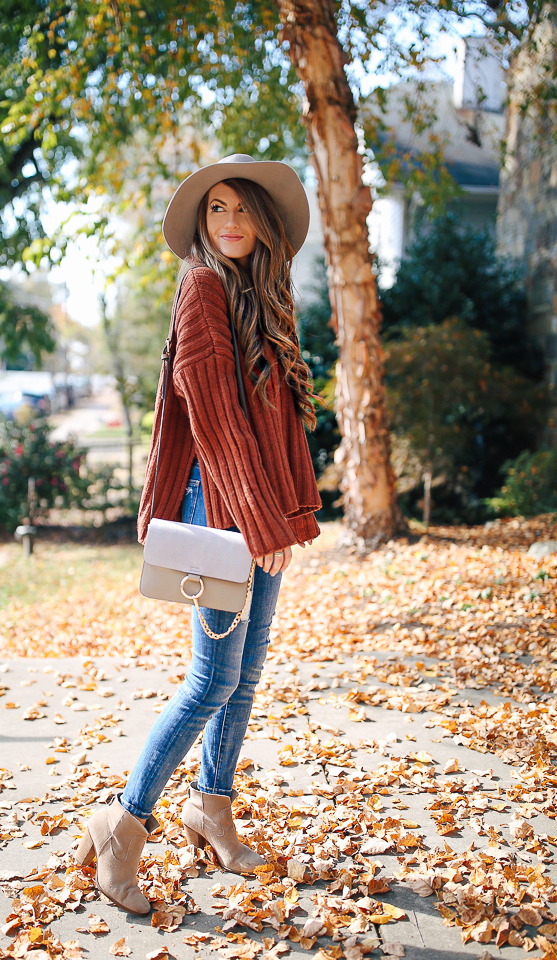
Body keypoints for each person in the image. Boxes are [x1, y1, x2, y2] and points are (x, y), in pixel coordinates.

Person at [75, 154, 321, 914]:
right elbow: (212, 417)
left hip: (258, 505)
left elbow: (269, 424)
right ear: (202, 225)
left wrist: (281, 513)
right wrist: (253, 520)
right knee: (211, 680)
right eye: (216, 210)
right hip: (222, 508)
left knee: (243, 679)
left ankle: (211, 811)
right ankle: (123, 825)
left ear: (264, 220)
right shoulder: (202, 287)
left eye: (241, 207)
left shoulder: (259, 297)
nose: (230, 222)